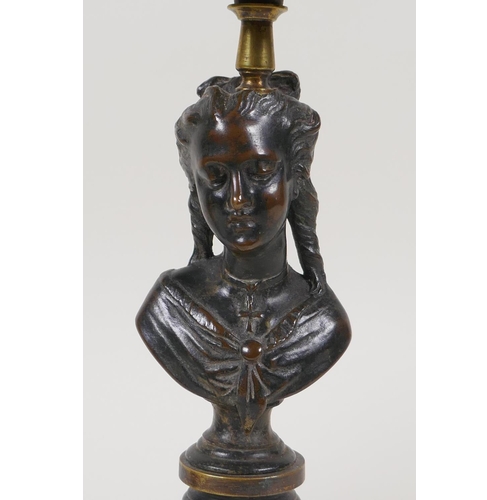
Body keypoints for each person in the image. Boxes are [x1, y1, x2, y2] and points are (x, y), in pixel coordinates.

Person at [136, 72, 351, 475]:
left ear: (295, 177)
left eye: (260, 170)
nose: (237, 199)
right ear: (196, 188)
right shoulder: (168, 306)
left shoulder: (326, 323)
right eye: (216, 177)